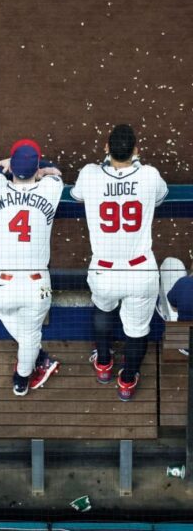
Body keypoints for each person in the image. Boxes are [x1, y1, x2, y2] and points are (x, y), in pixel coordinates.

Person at [71, 124, 169, 401]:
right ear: (136, 150)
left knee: (103, 311)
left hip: (104, 270)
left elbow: (76, 196)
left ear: (106, 148)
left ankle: (103, 364)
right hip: (140, 271)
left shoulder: (89, 175)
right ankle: (127, 381)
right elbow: (161, 198)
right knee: (137, 331)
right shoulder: (149, 175)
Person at [0, 140, 64, 396]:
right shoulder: (51, 189)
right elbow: (55, 172)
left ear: (12, 168)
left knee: (5, 315)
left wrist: (8, 164)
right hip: (37, 283)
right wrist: (41, 169)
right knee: (30, 334)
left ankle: (38, 356)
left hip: (4, 284)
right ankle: (21, 380)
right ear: (37, 168)